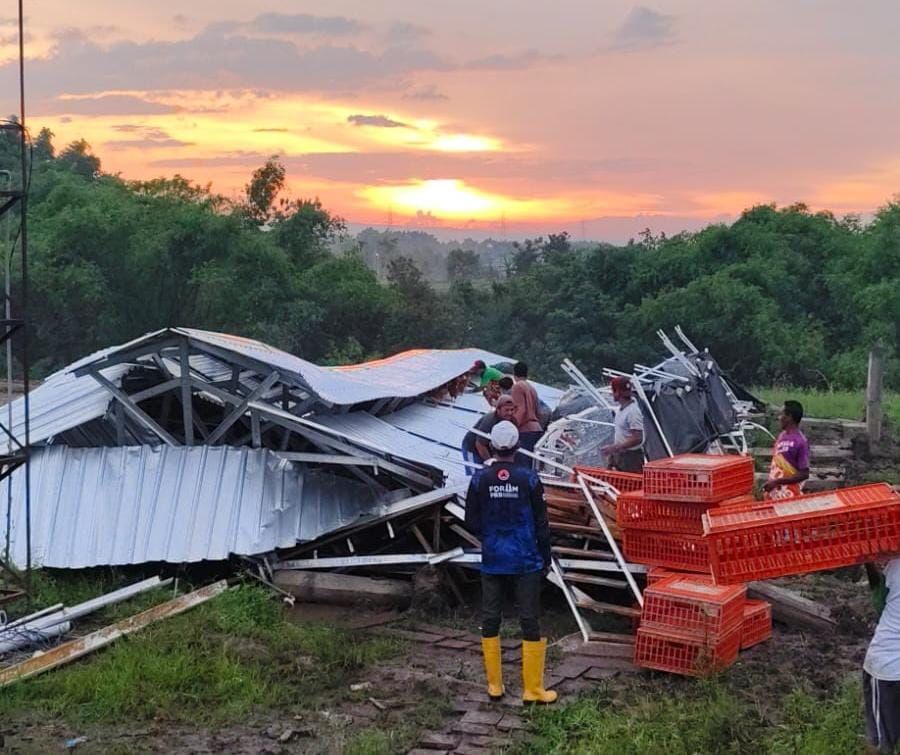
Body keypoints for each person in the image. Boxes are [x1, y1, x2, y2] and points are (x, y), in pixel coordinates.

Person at [464, 421, 557, 705]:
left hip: (493, 558)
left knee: (491, 618)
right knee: (529, 619)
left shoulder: (479, 480)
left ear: (492, 446)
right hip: (525, 558)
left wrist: (492, 536)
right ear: (517, 446)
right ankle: (533, 690)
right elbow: (542, 523)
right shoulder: (529, 479)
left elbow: (471, 521)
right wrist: (546, 556)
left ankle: (494, 686)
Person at [863, 558, 900, 754]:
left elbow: (879, 605)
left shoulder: (895, 567)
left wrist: (869, 563)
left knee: (880, 742)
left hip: (887, 666)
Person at [762, 400, 810, 499]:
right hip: (774, 494)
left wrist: (778, 481)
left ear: (789, 417)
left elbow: (804, 473)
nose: (779, 418)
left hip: (789, 496)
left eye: (781, 414)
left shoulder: (800, 442)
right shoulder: (781, 436)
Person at [460, 395, 516, 474]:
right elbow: (479, 444)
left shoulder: (512, 420)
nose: (510, 413)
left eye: (512, 410)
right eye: (506, 410)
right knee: (474, 474)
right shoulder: (490, 421)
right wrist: (491, 462)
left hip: (487, 446)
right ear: (498, 410)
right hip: (472, 447)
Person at [601, 376, 644, 473]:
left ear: (618, 392)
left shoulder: (633, 412)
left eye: (613, 391)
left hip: (631, 458)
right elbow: (622, 435)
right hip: (621, 455)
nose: (612, 394)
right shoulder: (621, 410)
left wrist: (615, 447)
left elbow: (637, 438)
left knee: (632, 484)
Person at [511, 361, 543, 461]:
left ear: (514, 374)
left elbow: (521, 409)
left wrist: (512, 427)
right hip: (536, 429)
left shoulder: (517, 387)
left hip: (525, 430)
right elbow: (538, 411)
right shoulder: (532, 388)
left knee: (522, 464)